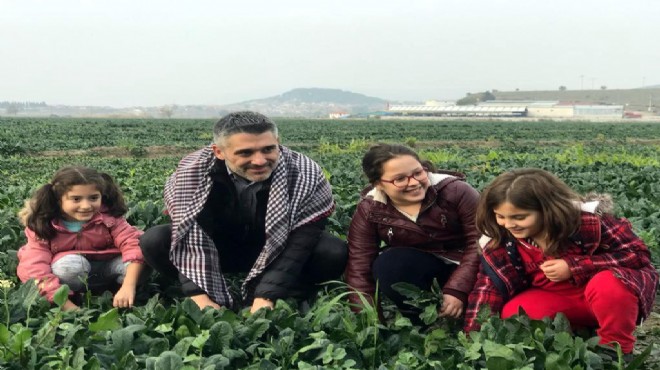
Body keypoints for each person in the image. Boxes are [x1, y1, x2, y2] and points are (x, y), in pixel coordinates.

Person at [140, 111, 347, 312]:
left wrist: (266, 296)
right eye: (245, 152)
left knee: (332, 251)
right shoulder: (191, 173)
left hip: (277, 249)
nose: (259, 160)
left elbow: (301, 241)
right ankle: (199, 288)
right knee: (155, 240)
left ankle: (290, 291)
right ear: (219, 152)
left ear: (278, 142)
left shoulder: (305, 172)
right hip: (217, 250)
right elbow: (188, 238)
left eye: (268, 149)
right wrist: (198, 294)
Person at [464, 168, 659, 355]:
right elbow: (488, 288)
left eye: (519, 217)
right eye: (500, 216)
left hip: (608, 297)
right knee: (514, 314)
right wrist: (475, 336)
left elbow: (638, 254)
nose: (508, 224)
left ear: (547, 209)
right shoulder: (502, 241)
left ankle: (615, 348)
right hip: (560, 299)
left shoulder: (588, 222)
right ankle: (577, 334)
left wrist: (575, 267)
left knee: (608, 285)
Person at [345, 144, 481, 321]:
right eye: (400, 179)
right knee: (389, 264)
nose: (414, 183)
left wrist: (458, 289)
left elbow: (480, 241)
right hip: (424, 269)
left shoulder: (456, 191)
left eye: (418, 173)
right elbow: (359, 264)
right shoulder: (371, 209)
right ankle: (422, 319)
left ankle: (465, 310)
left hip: (470, 266)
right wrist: (369, 322)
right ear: (378, 184)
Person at [16, 166, 147, 311]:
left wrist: (128, 286)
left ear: (101, 196)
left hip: (106, 270)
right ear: (59, 200)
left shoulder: (109, 218)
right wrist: (69, 308)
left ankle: (118, 293)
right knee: (70, 265)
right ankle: (74, 298)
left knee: (141, 261)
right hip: (71, 276)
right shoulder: (43, 225)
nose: (85, 206)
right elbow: (34, 268)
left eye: (93, 198)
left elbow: (133, 244)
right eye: (76, 199)